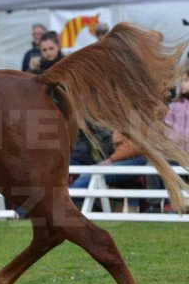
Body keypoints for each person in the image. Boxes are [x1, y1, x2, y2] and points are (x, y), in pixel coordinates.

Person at [145, 67, 189, 212]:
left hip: (185, 153)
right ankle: (156, 204)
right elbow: (168, 127)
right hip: (175, 152)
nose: (182, 84)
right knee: (151, 165)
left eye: (186, 80)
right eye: (182, 81)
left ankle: (180, 206)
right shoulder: (177, 105)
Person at [69, 131, 147, 211]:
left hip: (133, 158)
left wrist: (111, 160)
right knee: (90, 176)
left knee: (90, 176)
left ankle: (62, 201)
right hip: (121, 158)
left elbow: (135, 147)